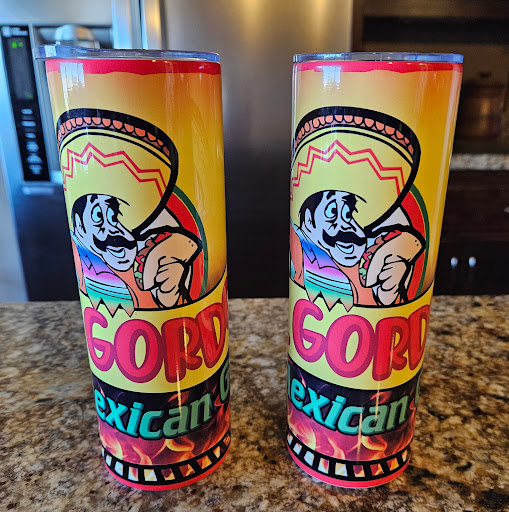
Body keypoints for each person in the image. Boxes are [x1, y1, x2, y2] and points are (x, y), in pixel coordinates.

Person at [290, 190, 424, 311]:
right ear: (309, 220)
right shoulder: (303, 253)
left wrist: (389, 292)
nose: (345, 226)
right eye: (332, 213)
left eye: (348, 214)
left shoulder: (365, 264)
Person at [70, 193, 201, 315]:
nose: (113, 231)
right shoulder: (89, 270)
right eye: (98, 217)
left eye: (113, 217)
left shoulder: (143, 260)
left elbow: (189, 244)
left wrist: (170, 294)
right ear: (80, 226)